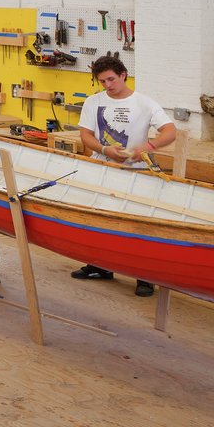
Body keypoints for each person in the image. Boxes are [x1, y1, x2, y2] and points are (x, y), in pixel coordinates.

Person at [72, 54, 177, 296]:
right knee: (96, 218)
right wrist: (104, 149)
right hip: (101, 167)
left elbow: (170, 132)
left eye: (111, 79)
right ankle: (99, 266)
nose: (108, 85)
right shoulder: (93, 102)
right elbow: (86, 135)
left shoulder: (145, 103)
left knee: (137, 224)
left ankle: (144, 277)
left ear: (123, 75)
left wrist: (149, 147)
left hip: (135, 171)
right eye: (102, 82)